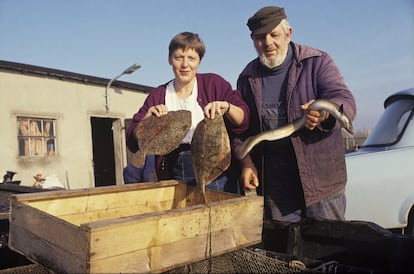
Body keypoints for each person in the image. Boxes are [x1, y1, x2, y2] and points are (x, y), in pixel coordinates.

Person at [236, 6, 357, 228]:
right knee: (285, 253)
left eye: (274, 35)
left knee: (327, 250)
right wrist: (246, 162)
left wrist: (323, 116)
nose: (268, 43)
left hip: (321, 183)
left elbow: (344, 100)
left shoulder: (317, 62)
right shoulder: (247, 77)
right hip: (276, 187)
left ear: (289, 33)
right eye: (261, 37)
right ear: (253, 40)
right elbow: (240, 129)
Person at [126, 32, 249, 192]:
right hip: (175, 169)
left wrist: (228, 107)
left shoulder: (214, 84)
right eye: (179, 57)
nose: (185, 65)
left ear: (199, 61)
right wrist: (146, 122)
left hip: (217, 168)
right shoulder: (158, 95)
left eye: (191, 58)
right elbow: (132, 140)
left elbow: (244, 121)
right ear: (170, 59)